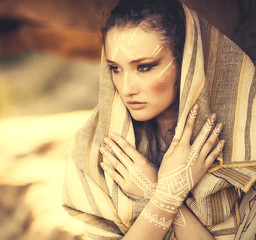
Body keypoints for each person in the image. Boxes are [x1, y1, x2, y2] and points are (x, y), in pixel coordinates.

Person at [62, 0, 256, 239]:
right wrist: (166, 194)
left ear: (186, 61)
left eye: (144, 67)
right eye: (115, 68)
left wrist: (156, 192)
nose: (126, 88)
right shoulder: (96, 148)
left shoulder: (244, 139)